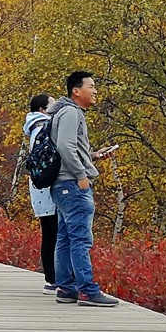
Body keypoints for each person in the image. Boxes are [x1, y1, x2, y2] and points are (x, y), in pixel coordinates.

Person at [50, 71, 119, 307]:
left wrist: (91, 157)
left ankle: (66, 288)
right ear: (76, 91)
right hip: (72, 184)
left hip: (62, 184)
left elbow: (71, 148)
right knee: (80, 238)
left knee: (65, 237)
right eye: (91, 86)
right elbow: (65, 146)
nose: (95, 90)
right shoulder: (71, 112)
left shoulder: (64, 112)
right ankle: (88, 290)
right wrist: (81, 175)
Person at [25, 93, 59, 292]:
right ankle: (54, 277)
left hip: (38, 188)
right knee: (54, 234)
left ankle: (51, 277)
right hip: (48, 189)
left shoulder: (34, 128)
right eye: (53, 105)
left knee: (49, 233)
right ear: (42, 110)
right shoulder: (44, 127)